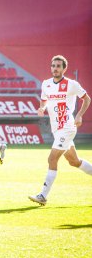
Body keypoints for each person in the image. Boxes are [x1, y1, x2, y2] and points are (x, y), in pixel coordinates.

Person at [29, 55, 91, 206]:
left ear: (64, 69)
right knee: (74, 162)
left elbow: (87, 99)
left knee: (52, 159)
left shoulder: (72, 84)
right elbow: (44, 99)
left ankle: (43, 195)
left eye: (58, 66)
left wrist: (79, 115)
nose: (55, 68)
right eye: (53, 66)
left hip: (68, 127)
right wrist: (42, 107)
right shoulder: (46, 84)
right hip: (56, 129)